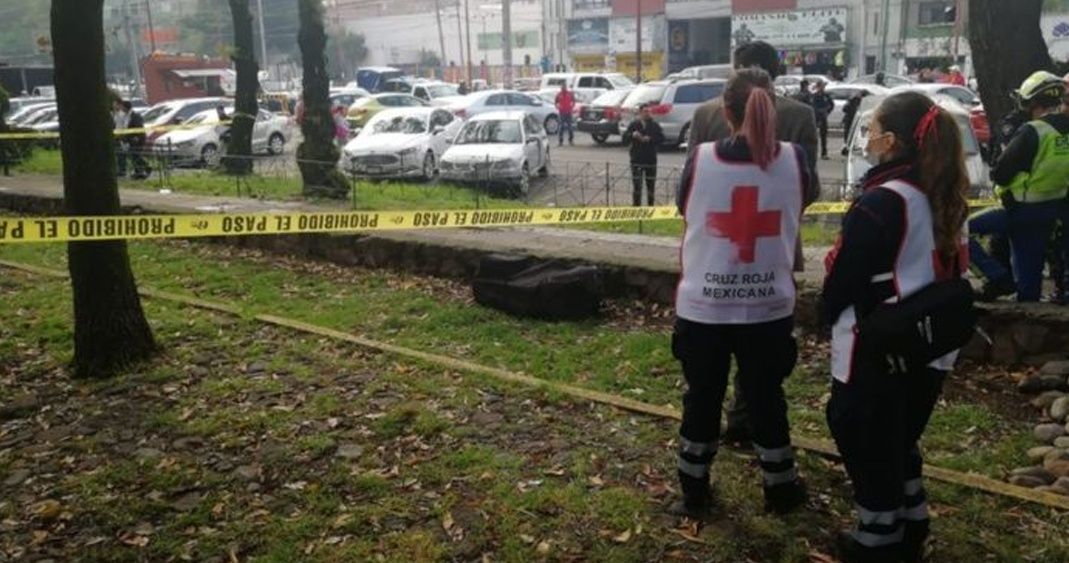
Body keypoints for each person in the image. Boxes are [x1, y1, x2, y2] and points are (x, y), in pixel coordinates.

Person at [823, 91, 969, 562]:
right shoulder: (942, 192)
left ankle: (876, 539)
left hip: (877, 343)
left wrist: (823, 314)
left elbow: (844, 277)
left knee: (862, 435)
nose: (867, 140)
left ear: (892, 141)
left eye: (871, 132)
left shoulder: (881, 202)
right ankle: (912, 520)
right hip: (929, 345)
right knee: (900, 434)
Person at [670, 68, 811, 519]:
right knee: (767, 397)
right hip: (768, 307)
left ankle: (693, 488)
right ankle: (781, 489)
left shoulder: (701, 159)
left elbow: (682, 207)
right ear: (773, 105)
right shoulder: (798, 160)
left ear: (725, 112)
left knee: (702, 397)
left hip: (703, 306)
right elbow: (802, 201)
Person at [687, 39, 820, 444]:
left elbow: (688, 190)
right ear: (775, 73)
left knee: (705, 375)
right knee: (763, 358)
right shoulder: (800, 116)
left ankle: (700, 466)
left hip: (712, 253)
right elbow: (807, 186)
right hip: (771, 246)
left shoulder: (706, 112)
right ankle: (747, 418)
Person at [970, 71, 1069, 302]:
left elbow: (1001, 173)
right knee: (1029, 287)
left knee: (957, 231)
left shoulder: (1033, 130)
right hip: (1049, 212)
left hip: (1017, 208)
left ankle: (996, 276)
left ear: (1030, 101)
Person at [624, 103, 664, 206]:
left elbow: (661, 138)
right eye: (645, 111)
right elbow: (625, 138)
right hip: (636, 159)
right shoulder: (634, 124)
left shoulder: (654, 125)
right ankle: (636, 208)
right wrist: (633, 135)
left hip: (650, 159)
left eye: (649, 112)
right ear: (640, 113)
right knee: (637, 185)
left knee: (650, 185)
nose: (648, 114)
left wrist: (650, 139)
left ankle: (650, 208)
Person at [123, 100, 151, 180]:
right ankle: (138, 172)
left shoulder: (135, 115)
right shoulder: (127, 116)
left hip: (137, 139)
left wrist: (137, 137)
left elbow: (139, 127)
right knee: (134, 156)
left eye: (122, 107)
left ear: (125, 107)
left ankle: (147, 167)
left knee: (136, 155)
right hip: (131, 139)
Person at [811, 80, 834, 159]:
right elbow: (813, 106)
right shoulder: (814, 96)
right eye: (821, 86)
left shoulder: (826, 95)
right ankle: (813, 153)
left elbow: (831, 105)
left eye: (823, 86)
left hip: (823, 117)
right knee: (813, 136)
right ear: (818, 87)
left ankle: (824, 153)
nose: (822, 88)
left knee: (823, 136)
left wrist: (827, 111)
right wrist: (818, 111)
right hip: (816, 118)